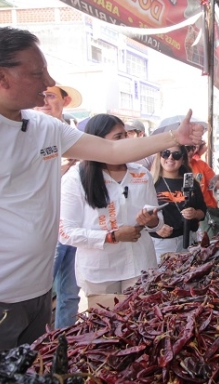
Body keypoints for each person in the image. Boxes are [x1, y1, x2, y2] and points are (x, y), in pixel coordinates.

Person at [0, 26, 203, 354]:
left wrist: (172, 138)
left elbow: (111, 151)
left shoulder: (44, 127)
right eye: (37, 73)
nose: (49, 82)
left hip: (36, 291)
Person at [59, 114, 161, 299]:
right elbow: (65, 232)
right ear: (98, 141)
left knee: (141, 324)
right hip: (100, 273)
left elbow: (158, 221)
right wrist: (111, 236)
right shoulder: (75, 179)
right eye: (118, 137)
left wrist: (153, 221)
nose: (125, 142)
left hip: (140, 267)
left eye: (125, 135)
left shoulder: (141, 174)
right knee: (105, 324)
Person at [34, 85, 84, 329]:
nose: (44, 101)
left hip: (75, 227)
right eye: (41, 96)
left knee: (70, 293)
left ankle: (65, 342)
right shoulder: (27, 131)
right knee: (38, 294)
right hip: (44, 230)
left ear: (64, 101)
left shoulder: (74, 135)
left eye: (50, 96)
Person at [149, 145, 206, 262]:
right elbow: (140, 214)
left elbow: (203, 211)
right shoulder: (150, 183)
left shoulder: (191, 182)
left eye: (176, 155)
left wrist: (194, 213)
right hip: (161, 244)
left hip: (189, 241)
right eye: (166, 153)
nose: (170, 158)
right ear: (160, 156)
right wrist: (155, 227)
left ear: (183, 159)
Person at [186, 144, 219, 238]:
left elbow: (213, 186)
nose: (189, 152)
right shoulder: (174, 169)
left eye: (192, 148)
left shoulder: (201, 164)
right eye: (186, 148)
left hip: (208, 211)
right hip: (186, 215)